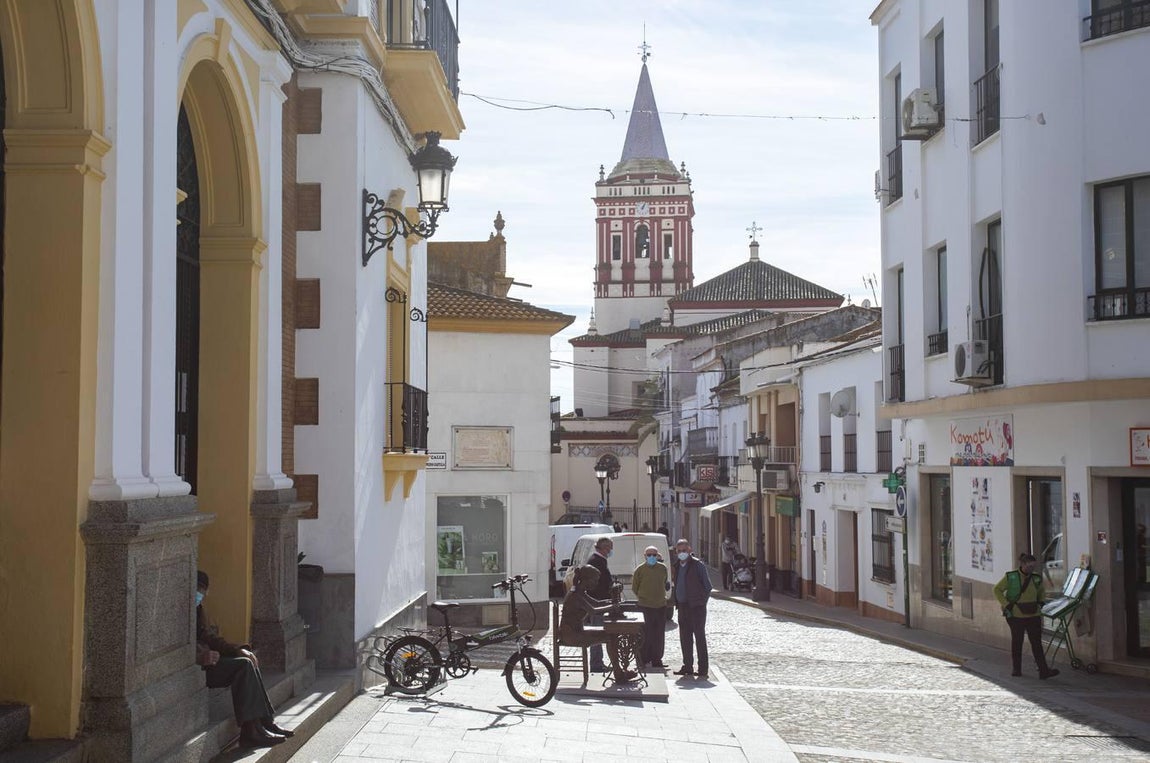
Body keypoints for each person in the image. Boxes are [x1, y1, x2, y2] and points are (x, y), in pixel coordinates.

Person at [196, 571, 295, 748]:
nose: (199, 595)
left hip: (208, 660)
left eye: (202, 591)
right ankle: (250, 731)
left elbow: (208, 637)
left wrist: (237, 649)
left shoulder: (197, 609)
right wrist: (199, 656)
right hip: (196, 668)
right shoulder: (179, 612)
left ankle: (266, 722)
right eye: (197, 590)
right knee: (243, 666)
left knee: (248, 660)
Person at [558, 566, 637, 683]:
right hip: (572, 635)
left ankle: (618, 672)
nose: (596, 583)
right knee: (610, 637)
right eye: (594, 580)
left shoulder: (579, 591)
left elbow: (597, 603)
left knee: (610, 635)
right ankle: (618, 674)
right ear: (587, 580)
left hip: (575, 631)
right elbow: (593, 611)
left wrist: (612, 602)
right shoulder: (576, 595)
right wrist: (614, 606)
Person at [993, 553, 1059, 679]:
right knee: (1017, 642)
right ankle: (1016, 669)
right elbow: (996, 589)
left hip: (1033, 614)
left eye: (1033, 566)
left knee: (1036, 643)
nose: (1031, 569)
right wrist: (1006, 604)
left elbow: (1041, 592)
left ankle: (1043, 670)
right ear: (1022, 565)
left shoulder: (1036, 578)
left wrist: (1040, 602)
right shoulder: (1011, 577)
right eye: (1029, 566)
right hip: (1016, 615)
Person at [671, 538, 713, 680]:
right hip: (682, 606)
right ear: (676, 552)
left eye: (684, 550)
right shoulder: (676, 566)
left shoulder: (697, 565)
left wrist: (701, 603)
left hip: (696, 608)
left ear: (689, 550)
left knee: (699, 637)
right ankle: (687, 666)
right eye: (679, 551)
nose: (682, 553)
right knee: (685, 638)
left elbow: (708, 587)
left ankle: (703, 669)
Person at [631, 545, 668, 669]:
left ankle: (657, 659)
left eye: (654, 555)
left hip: (660, 606)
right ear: (645, 556)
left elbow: (664, 582)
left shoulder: (663, 568)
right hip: (645, 606)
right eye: (649, 555)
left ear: (657, 556)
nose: (652, 557)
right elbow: (635, 587)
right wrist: (644, 597)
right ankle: (643, 659)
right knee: (644, 634)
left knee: (658, 634)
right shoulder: (639, 570)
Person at [585, 537, 614, 673]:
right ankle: (596, 664)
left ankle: (598, 662)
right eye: (609, 548)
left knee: (598, 632)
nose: (610, 551)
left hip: (598, 602)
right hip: (596, 604)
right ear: (604, 548)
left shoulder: (599, 560)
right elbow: (600, 584)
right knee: (596, 634)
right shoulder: (596, 561)